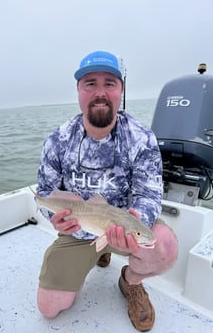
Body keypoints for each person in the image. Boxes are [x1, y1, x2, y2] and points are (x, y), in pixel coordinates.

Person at [36, 50, 178, 332]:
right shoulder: (57, 139)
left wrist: (139, 218)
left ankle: (131, 281)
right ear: (78, 90)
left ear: (120, 91)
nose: (100, 92)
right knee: (49, 308)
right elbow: (46, 193)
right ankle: (98, 253)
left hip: (124, 228)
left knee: (165, 248)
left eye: (109, 83)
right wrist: (52, 215)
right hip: (77, 231)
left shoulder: (141, 137)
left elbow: (149, 195)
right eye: (90, 83)